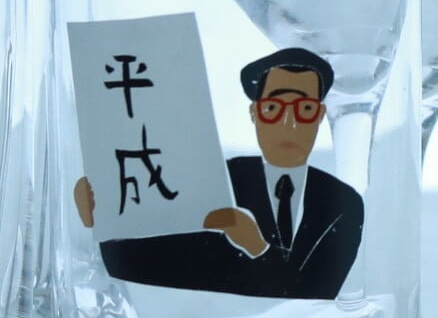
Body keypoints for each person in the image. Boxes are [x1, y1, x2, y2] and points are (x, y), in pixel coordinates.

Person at [89, 47, 365, 302]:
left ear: (320, 116)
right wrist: (104, 217)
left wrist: (257, 248)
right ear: (255, 113)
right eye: (273, 109)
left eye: (305, 110)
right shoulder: (220, 180)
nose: (289, 123)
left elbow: (315, 294)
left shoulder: (342, 203)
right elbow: (148, 260)